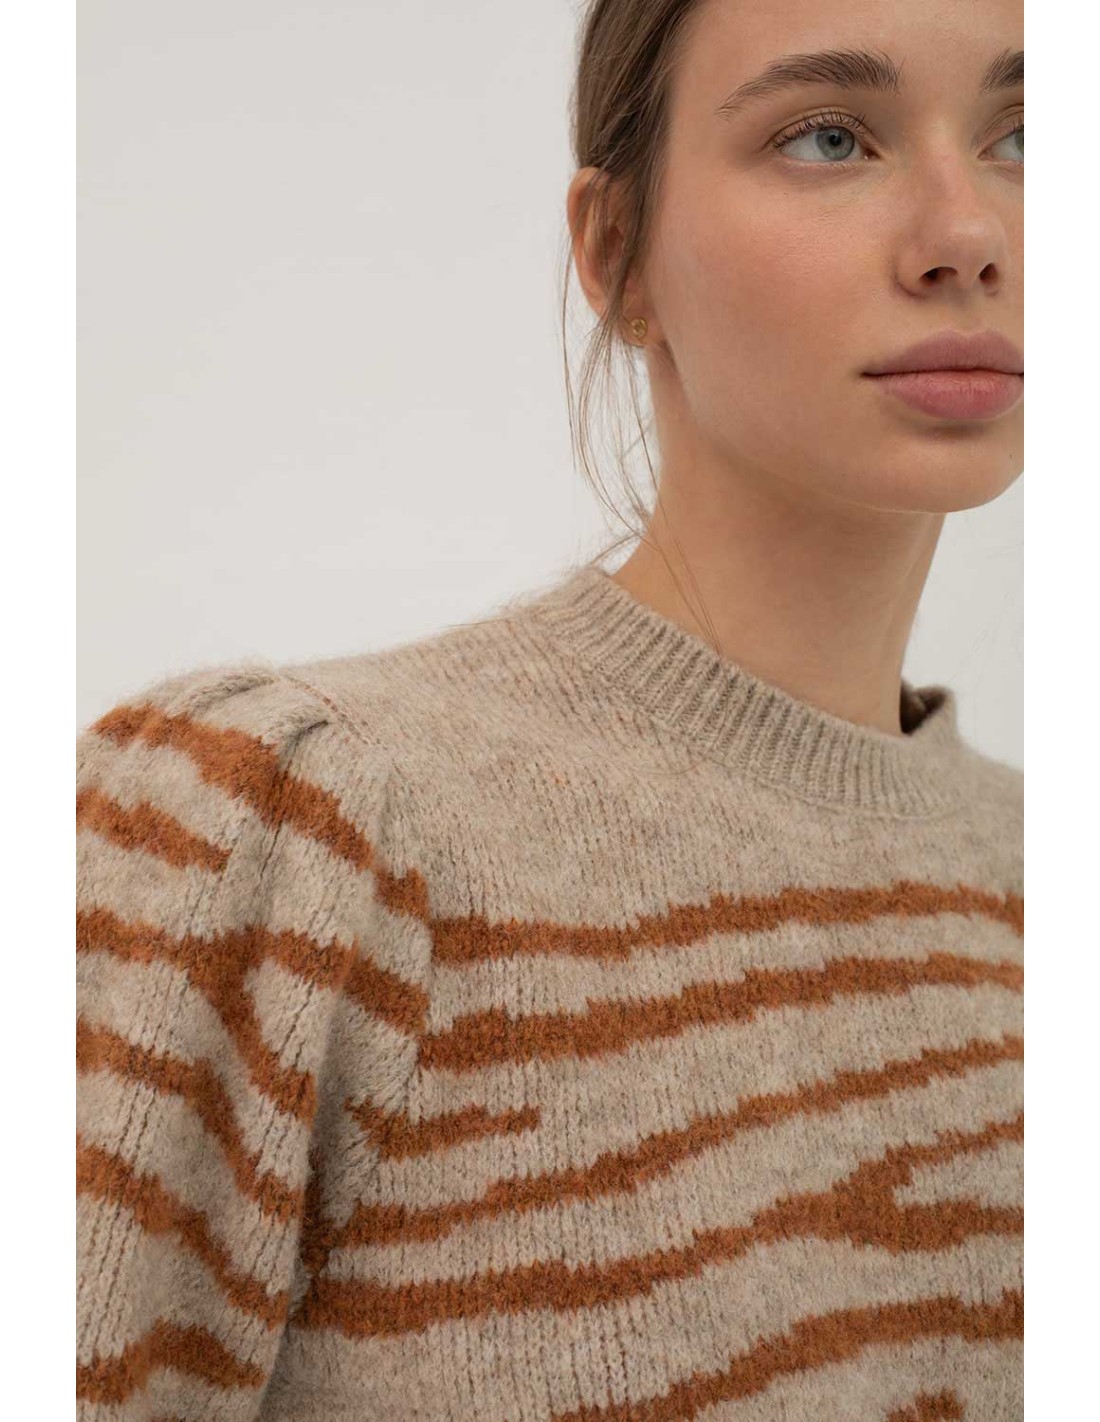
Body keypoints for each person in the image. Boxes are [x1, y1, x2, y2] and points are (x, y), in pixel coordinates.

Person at [76, 0, 1023, 1417]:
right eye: (829, 137)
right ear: (616, 252)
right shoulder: (292, 833)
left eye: (1030, 136)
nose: (968, 233)